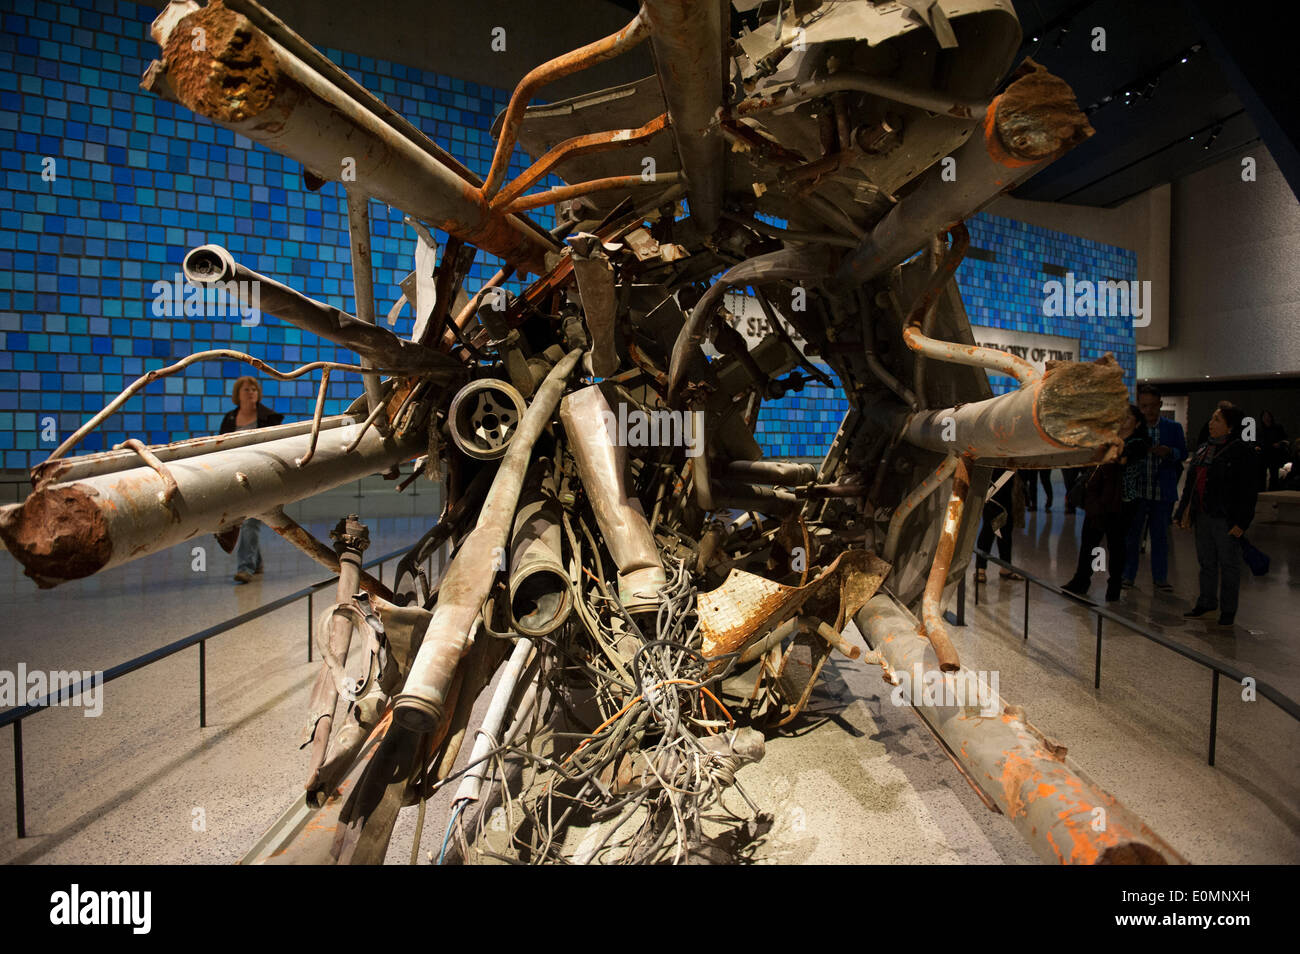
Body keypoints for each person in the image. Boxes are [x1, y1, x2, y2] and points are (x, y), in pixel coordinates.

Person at [1062, 405, 1147, 601]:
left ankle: (1114, 585)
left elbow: (1121, 458)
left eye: (1128, 417)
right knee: (1089, 541)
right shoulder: (1107, 438)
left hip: (1122, 503)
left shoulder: (1139, 442)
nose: (1123, 420)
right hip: (1099, 500)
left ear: (1137, 422)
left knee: (1116, 545)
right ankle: (1081, 579)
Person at [220, 376, 284, 583]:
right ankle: (256, 562)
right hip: (235, 476)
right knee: (244, 522)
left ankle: (245, 568)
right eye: (247, 390)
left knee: (250, 524)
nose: (251, 393)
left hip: (260, 477)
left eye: (254, 390)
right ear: (238, 394)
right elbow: (220, 446)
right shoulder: (230, 419)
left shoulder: (269, 418)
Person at [1122, 384, 1186, 591]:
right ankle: (1127, 576)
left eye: (1151, 406)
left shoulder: (1172, 428)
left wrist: (1169, 452)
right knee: (1132, 536)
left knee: (1160, 538)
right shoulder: (1134, 427)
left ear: (1159, 405)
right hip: (1138, 491)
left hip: (1162, 491)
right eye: (1143, 406)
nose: (1147, 411)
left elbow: (1183, 454)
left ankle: (1160, 578)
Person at [974, 469, 1025, 583]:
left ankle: (1005, 568)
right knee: (989, 529)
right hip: (993, 485)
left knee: (1006, 531)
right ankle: (980, 569)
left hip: (1007, 486)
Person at [1258, 410, 1289, 490]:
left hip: (1274, 454)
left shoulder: (1277, 428)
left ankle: (1273, 490)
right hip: (1264, 454)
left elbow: (1284, 439)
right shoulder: (1260, 429)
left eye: (1268, 416)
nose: (1266, 418)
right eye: (1264, 416)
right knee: (1262, 474)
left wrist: (1279, 444)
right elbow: (1258, 441)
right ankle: (1262, 490)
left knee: (1274, 474)